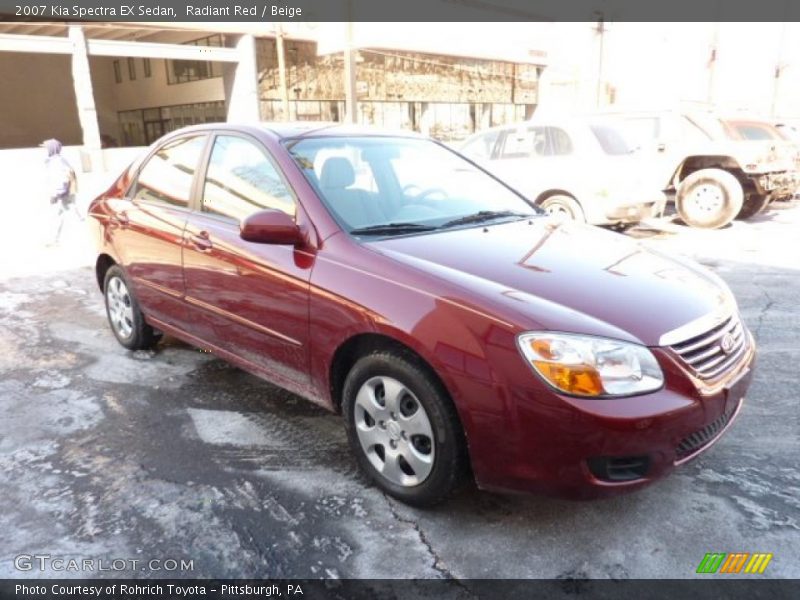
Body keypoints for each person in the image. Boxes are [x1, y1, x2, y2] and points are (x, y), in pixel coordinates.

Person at [43, 138, 83, 246]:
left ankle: (56, 239)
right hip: (65, 192)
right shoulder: (57, 160)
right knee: (69, 213)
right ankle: (55, 239)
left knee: (64, 214)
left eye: (46, 147)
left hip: (62, 193)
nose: (45, 149)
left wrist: (56, 194)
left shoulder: (57, 162)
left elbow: (63, 178)